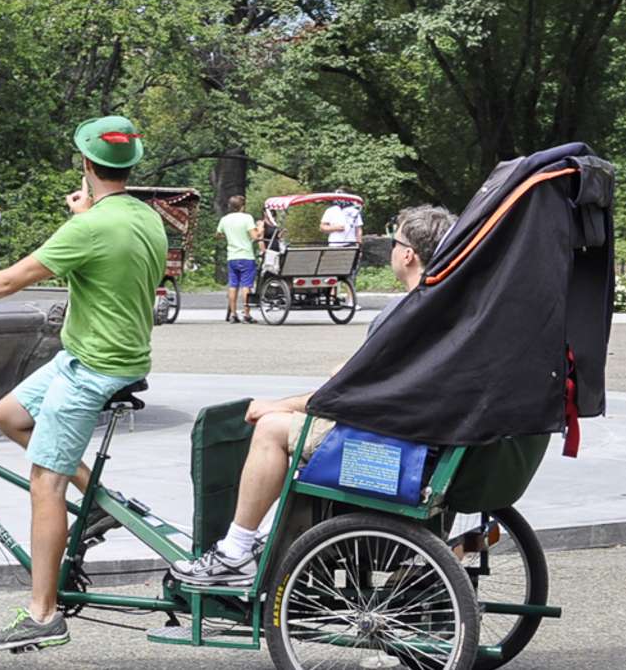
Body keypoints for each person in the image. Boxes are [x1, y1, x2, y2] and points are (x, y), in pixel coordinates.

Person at [0, 116, 164, 653]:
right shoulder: (142, 215)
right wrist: (88, 212)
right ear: (128, 167)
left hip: (94, 368)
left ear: (87, 167)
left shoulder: (88, 228)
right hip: (108, 356)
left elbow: (10, 281)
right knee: (9, 414)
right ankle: (102, 502)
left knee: (46, 484)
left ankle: (44, 614)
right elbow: (113, 246)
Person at [171, 204, 456, 588]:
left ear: (408, 254)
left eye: (395, 241)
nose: (392, 249)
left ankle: (235, 551)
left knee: (271, 429)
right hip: (416, 438)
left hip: (389, 453)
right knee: (283, 419)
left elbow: (345, 391)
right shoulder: (443, 307)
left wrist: (279, 406)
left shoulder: (405, 311)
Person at [217, 194, 262, 324]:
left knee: (233, 285)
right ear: (242, 206)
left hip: (232, 256)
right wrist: (259, 228)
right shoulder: (247, 218)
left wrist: (229, 236)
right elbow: (254, 236)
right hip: (246, 256)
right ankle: (246, 314)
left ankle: (233, 313)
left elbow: (218, 234)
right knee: (246, 286)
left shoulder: (224, 219)